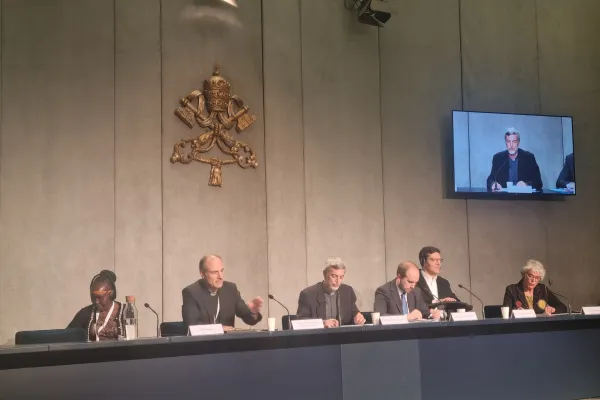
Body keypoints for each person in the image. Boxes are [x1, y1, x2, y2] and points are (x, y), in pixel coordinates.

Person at [182, 254, 263, 331]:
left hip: (227, 341)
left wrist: (253, 312)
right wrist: (217, 329)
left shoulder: (230, 289)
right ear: (202, 273)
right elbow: (191, 326)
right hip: (203, 341)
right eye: (214, 272)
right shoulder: (191, 292)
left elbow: (249, 320)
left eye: (222, 271)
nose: (220, 276)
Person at [296, 257, 366, 328]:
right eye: (334, 276)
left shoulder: (347, 292)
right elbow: (300, 323)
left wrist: (358, 319)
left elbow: (354, 314)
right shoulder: (308, 294)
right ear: (324, 275)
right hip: (319, 334)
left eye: (341, 277)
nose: (338, 281)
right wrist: (322, 324)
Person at [67, 270, 123, 342]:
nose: (96, 301)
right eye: (93, 297)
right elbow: (67, 336)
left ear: (111, 294)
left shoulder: (125, 312)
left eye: (100, 297)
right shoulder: (85, 313)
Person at [374, 261, 441, 321]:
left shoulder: (416, 291)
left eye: (415, 282)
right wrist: (406, 317)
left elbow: (425, 312)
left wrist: (432, 314)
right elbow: (379, 317)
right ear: (399, 277)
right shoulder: (383, 291)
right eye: (410, 282)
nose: (413, 286)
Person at [502, 259, 567, 315]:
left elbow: (562, 307)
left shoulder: (543, 289)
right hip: (520, 325)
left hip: (540, 324)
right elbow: (506, 314)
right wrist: (517, 313)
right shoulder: (511, 290)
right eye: (530, 276)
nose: (533, 280)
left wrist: (552, 310)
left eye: (537, 278)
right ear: (524, 274)